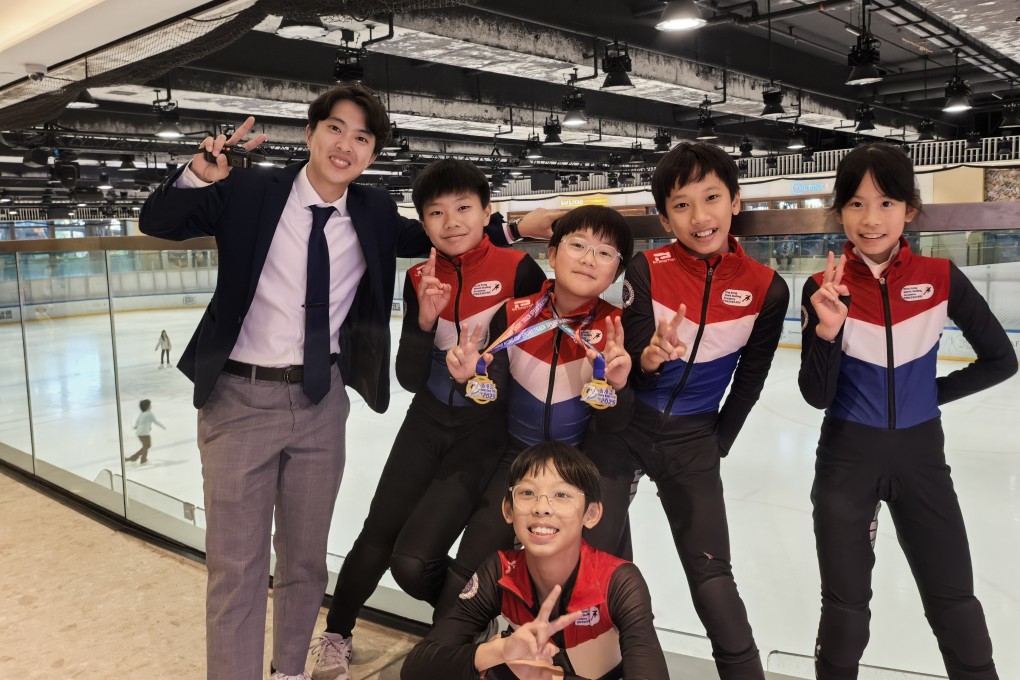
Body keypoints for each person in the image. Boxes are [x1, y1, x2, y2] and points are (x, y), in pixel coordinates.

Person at [138, 82, 558, 680]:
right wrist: (199, 175)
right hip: (239, 398)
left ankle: (289, 672)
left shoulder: (373, 209)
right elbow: (158, 221)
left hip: (320, 402)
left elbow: (445, 233)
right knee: (237, 567)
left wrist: (513, 227)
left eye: (361, 137)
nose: (345, 145)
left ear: (372, 154)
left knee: (306, 560)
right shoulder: (252, 189)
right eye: (335, 128)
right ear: (311, 133)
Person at [309, 159, 545, 680]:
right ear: (422, 221)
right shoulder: (420, 276)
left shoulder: (519, 271)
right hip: (427, 419)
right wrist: (423, 321)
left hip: (485, 433)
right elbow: (410, 378)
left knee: (414, 560)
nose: (452, 222)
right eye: (436, 212)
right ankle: (337, 634)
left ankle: (465, 633)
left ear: (486, 211)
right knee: (377, 531)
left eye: (464, 208)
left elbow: (525, 369)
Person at [798, 142, 1016, 680]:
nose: (871, 219)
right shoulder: (823, 288)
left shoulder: (942, 277)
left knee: (956, 606)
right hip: (846, 459)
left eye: (886, 203)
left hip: (922, 459)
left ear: (910, 210)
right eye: (856, 204)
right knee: (845, 614)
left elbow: (1001, 360)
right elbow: (817, 395)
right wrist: (827, 332)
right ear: (840, 212)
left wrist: (924, 395)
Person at [584, 142, 789, 679]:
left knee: (713, 580)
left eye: (712, 198)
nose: (700, 217)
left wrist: (717, 441)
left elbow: (751, 377)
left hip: (694, 439)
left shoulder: (768, 288)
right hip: (623, 430)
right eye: (681, 205)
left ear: (735, 201)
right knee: (592, 561)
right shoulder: (644, 268)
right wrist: (650, 359)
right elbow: (627, 365)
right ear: (664, 218)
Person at [436, 205, 635, 617]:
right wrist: (467, 380)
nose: (588, 259)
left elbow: (619, 425)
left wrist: (618, 387)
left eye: (604, 253)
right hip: (517, 460)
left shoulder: (618, 327)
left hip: (580, 467)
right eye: (577, 245)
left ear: (616, 272)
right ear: (552, 253)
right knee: (466, 575)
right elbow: (490, 398)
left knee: (584, 587)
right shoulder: (515, 315)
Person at [401, 441, 669, 680]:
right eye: (527, 493)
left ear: (591, 514)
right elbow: (416, 668)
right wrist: (499, 650)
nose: (541, 508)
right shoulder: (500, 571)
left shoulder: (619, 581)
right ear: (508, 509)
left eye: (561, 495)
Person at [126, 399, 164, 464]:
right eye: (150, 405)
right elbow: (155, 421)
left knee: (146, 446)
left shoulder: (142, 413)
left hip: (140, 432)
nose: (151, 406)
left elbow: (137, 421)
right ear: (147, 406)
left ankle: (133, 458)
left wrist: (136, 426)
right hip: (144, 432)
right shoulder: (149, 414)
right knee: (146, 446)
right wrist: (163, 426)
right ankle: (143, 460)